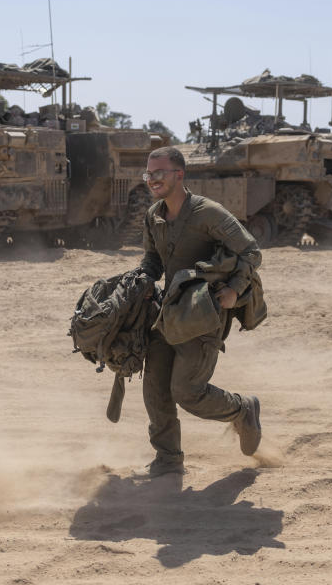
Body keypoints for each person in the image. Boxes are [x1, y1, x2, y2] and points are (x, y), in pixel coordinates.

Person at [139, 146, 263, 476]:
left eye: (159, 173)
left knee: (187, 391)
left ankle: (241, 410)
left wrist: (234, 290)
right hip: (168, 313)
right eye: (148, 174)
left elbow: (250, 251)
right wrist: (143, 278)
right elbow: (153, 259)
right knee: (154, 387)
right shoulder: (154, 215)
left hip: (203, 315)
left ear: (179, 175)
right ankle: (168, 460)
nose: (152, 180)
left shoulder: (208, 214)